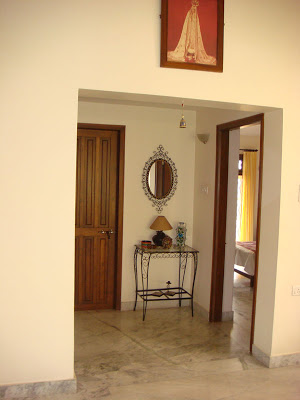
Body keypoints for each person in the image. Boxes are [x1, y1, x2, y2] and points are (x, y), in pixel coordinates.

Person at [168, 0, 216, 65]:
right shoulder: (189, 13)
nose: (194, 8)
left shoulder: (195, 16)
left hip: (194, 30)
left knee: (194, 36)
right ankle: (188, 52)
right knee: (188, 36)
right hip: (189, 29)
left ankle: (193, 52)